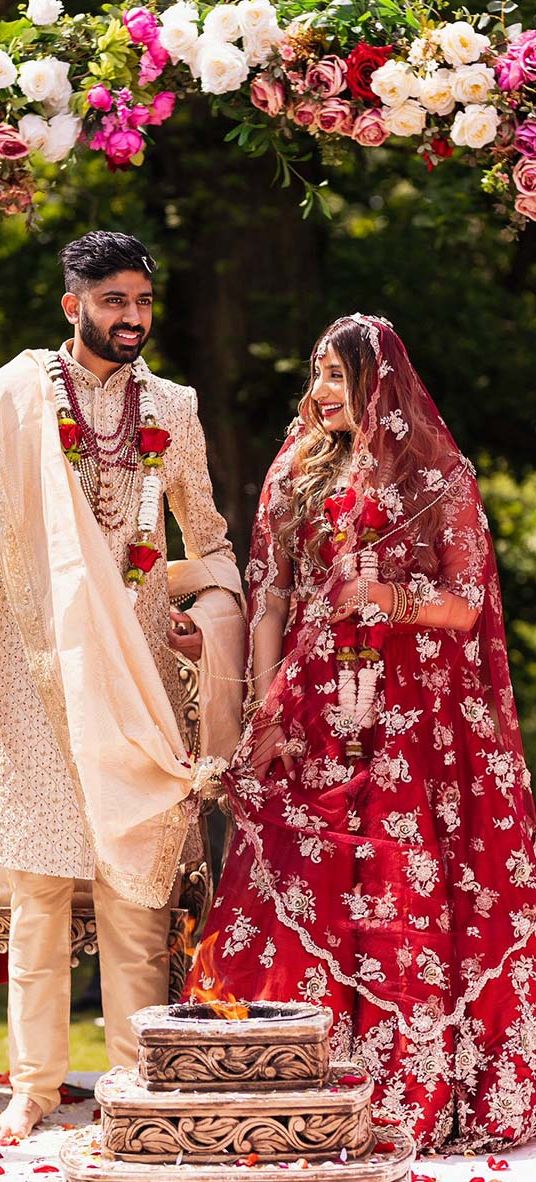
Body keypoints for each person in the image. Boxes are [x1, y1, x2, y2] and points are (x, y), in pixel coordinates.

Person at [186, 314, 536, 1152]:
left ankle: (393, 1091)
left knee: (396, 886)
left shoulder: (439, 480)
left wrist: (383, 600)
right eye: (318, 374)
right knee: (301, 867)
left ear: (381, 382)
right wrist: (268, 702)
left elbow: (466, 606)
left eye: (340, 376)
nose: (323, 393)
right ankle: (280, 1081)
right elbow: (270, 596)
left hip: (413, 724)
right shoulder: (296, 472)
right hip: (313, 708)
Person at [0, 230, 244, 1139]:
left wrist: (208, 617)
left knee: (134, 881)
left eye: (144, 302)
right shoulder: (13, 399)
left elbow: (208, 539)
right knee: (36, 885)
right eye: (114, 303)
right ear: (74, 306)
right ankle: (34, 1084)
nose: (133, 318)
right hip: (32, 672)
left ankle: (138, 1076)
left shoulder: (173, 408)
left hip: (139, 670)